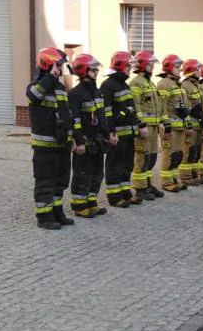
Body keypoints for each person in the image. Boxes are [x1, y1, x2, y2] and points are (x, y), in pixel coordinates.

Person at [27, 47, 74, 230]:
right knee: (45, 181)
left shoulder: (60, 89)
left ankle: (56, 212)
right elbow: (34, 96)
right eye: (58, 65)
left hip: (61, 144)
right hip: (44, 146)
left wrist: (72, 138)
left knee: (60, 181)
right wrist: (50, 77)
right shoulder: (36, 86)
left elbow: (66, 115)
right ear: (49, 64)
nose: (61, 69)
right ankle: (44, 216)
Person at [68, 54, 114, 217]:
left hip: (98, 141)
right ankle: (79, 206)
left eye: (96, 69)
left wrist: (108, 135)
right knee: (83, 173)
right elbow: (75, 120)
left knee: (97, 174)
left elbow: (102, 117)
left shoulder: (97, 92)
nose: (96, 72)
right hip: (85, 142)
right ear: (83, 70)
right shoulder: (75, 94)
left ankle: (91, 202)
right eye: (93, 69)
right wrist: (79, 141)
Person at [100, 51, 142, 208]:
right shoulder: (108, 85)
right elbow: (106, 112)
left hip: (128, 133)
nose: (130, 69)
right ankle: (114, 196)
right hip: (117, 134)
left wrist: (136, 128)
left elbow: (131, 108)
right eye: (128, 66)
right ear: (120, 65)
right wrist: (111, 132)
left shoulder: (124, 84)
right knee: (114, 165)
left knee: (127, 164)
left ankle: (125, 193)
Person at [129, 50, 165, 200]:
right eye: (150, 64)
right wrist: (141, 124)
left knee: (151, 157)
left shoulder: (150, 82)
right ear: (143, 65)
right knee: (142, 157)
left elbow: (157, 105)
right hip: (144, 128)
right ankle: (140, 188)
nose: (153, 67)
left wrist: (161, 122)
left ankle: (148, 184)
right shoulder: (136, 82)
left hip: (153, 127)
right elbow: (135, 105)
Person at [157, 54, 191, 193]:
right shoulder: (164, 84)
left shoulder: (178, 84)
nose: (180, 69)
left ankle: (174, 179)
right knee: (169, 154)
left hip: (179, 127)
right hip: (170, 127)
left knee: (177, 154)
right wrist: (166, 125)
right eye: (177, 67)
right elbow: (162, 106)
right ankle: (166, 182)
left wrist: (187, 124)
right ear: (169, 68)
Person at [180, 59, 203, 185]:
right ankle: (185, 177)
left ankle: (193, 173)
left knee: (195, 151)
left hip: (198, 124)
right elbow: (185, 106)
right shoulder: (185, 85)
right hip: (191, 124)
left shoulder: (196, 85)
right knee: (188, 151)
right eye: (197, 69)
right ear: (190, 70)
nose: (199, 71)